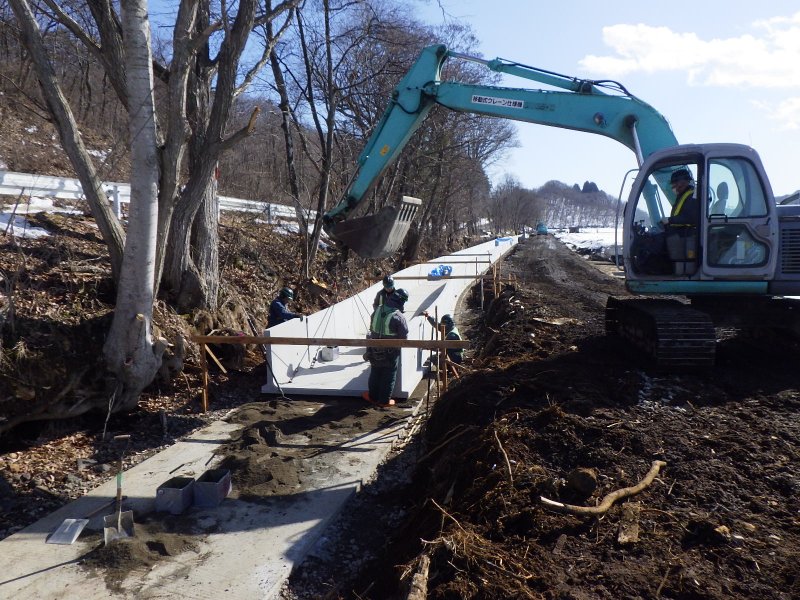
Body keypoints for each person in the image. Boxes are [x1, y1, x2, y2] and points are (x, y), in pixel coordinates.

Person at [363, 288, 409, 407]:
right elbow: (404, 338)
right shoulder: (398, 316)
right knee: (388, 375)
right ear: (402, 301)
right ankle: (384, 401)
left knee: (375, 371)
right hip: (390, 351)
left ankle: (372, 397)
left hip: (374, 348)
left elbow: (372, 327)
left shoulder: (377, 309)